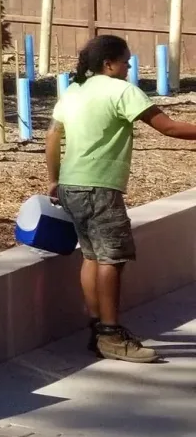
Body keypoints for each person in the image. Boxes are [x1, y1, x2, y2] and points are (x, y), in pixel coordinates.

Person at [46, 33, 196, 362]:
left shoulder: (73, 91)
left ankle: (98, 328)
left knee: (92, 256)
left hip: (72, 186)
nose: (129, 67)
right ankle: (112, 335)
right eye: (126, 61)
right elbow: (167, 127)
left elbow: (53, 135)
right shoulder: (121, 91)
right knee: (111, 259)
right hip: (100, 188)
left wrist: (55, 179)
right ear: (108, 63)